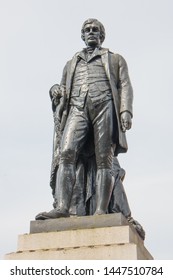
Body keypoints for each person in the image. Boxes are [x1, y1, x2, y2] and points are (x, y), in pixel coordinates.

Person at [36, 18, 133, 221]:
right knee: (67, 152)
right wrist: (54, 90)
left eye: (95, 30)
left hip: (104, 105)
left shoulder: (115, 59)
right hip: (77, 108)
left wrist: (125, 111)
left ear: (101, 35)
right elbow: (62, 89)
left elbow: (125, 85)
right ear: (82, 35)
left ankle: (100, 210)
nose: (91, 32)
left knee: (104, 158)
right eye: (87, 30)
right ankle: (62, 207)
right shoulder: (72, 63)